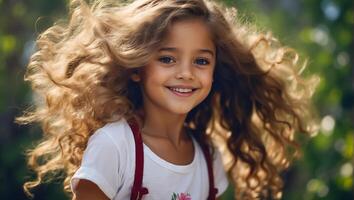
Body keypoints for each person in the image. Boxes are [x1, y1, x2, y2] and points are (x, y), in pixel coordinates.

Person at [17, 0, 319, 199]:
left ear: (216, 69)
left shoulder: (208, 156)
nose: (186, 73)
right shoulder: (114, 147)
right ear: (137, 67)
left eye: (201, 62)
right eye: (167, 59)